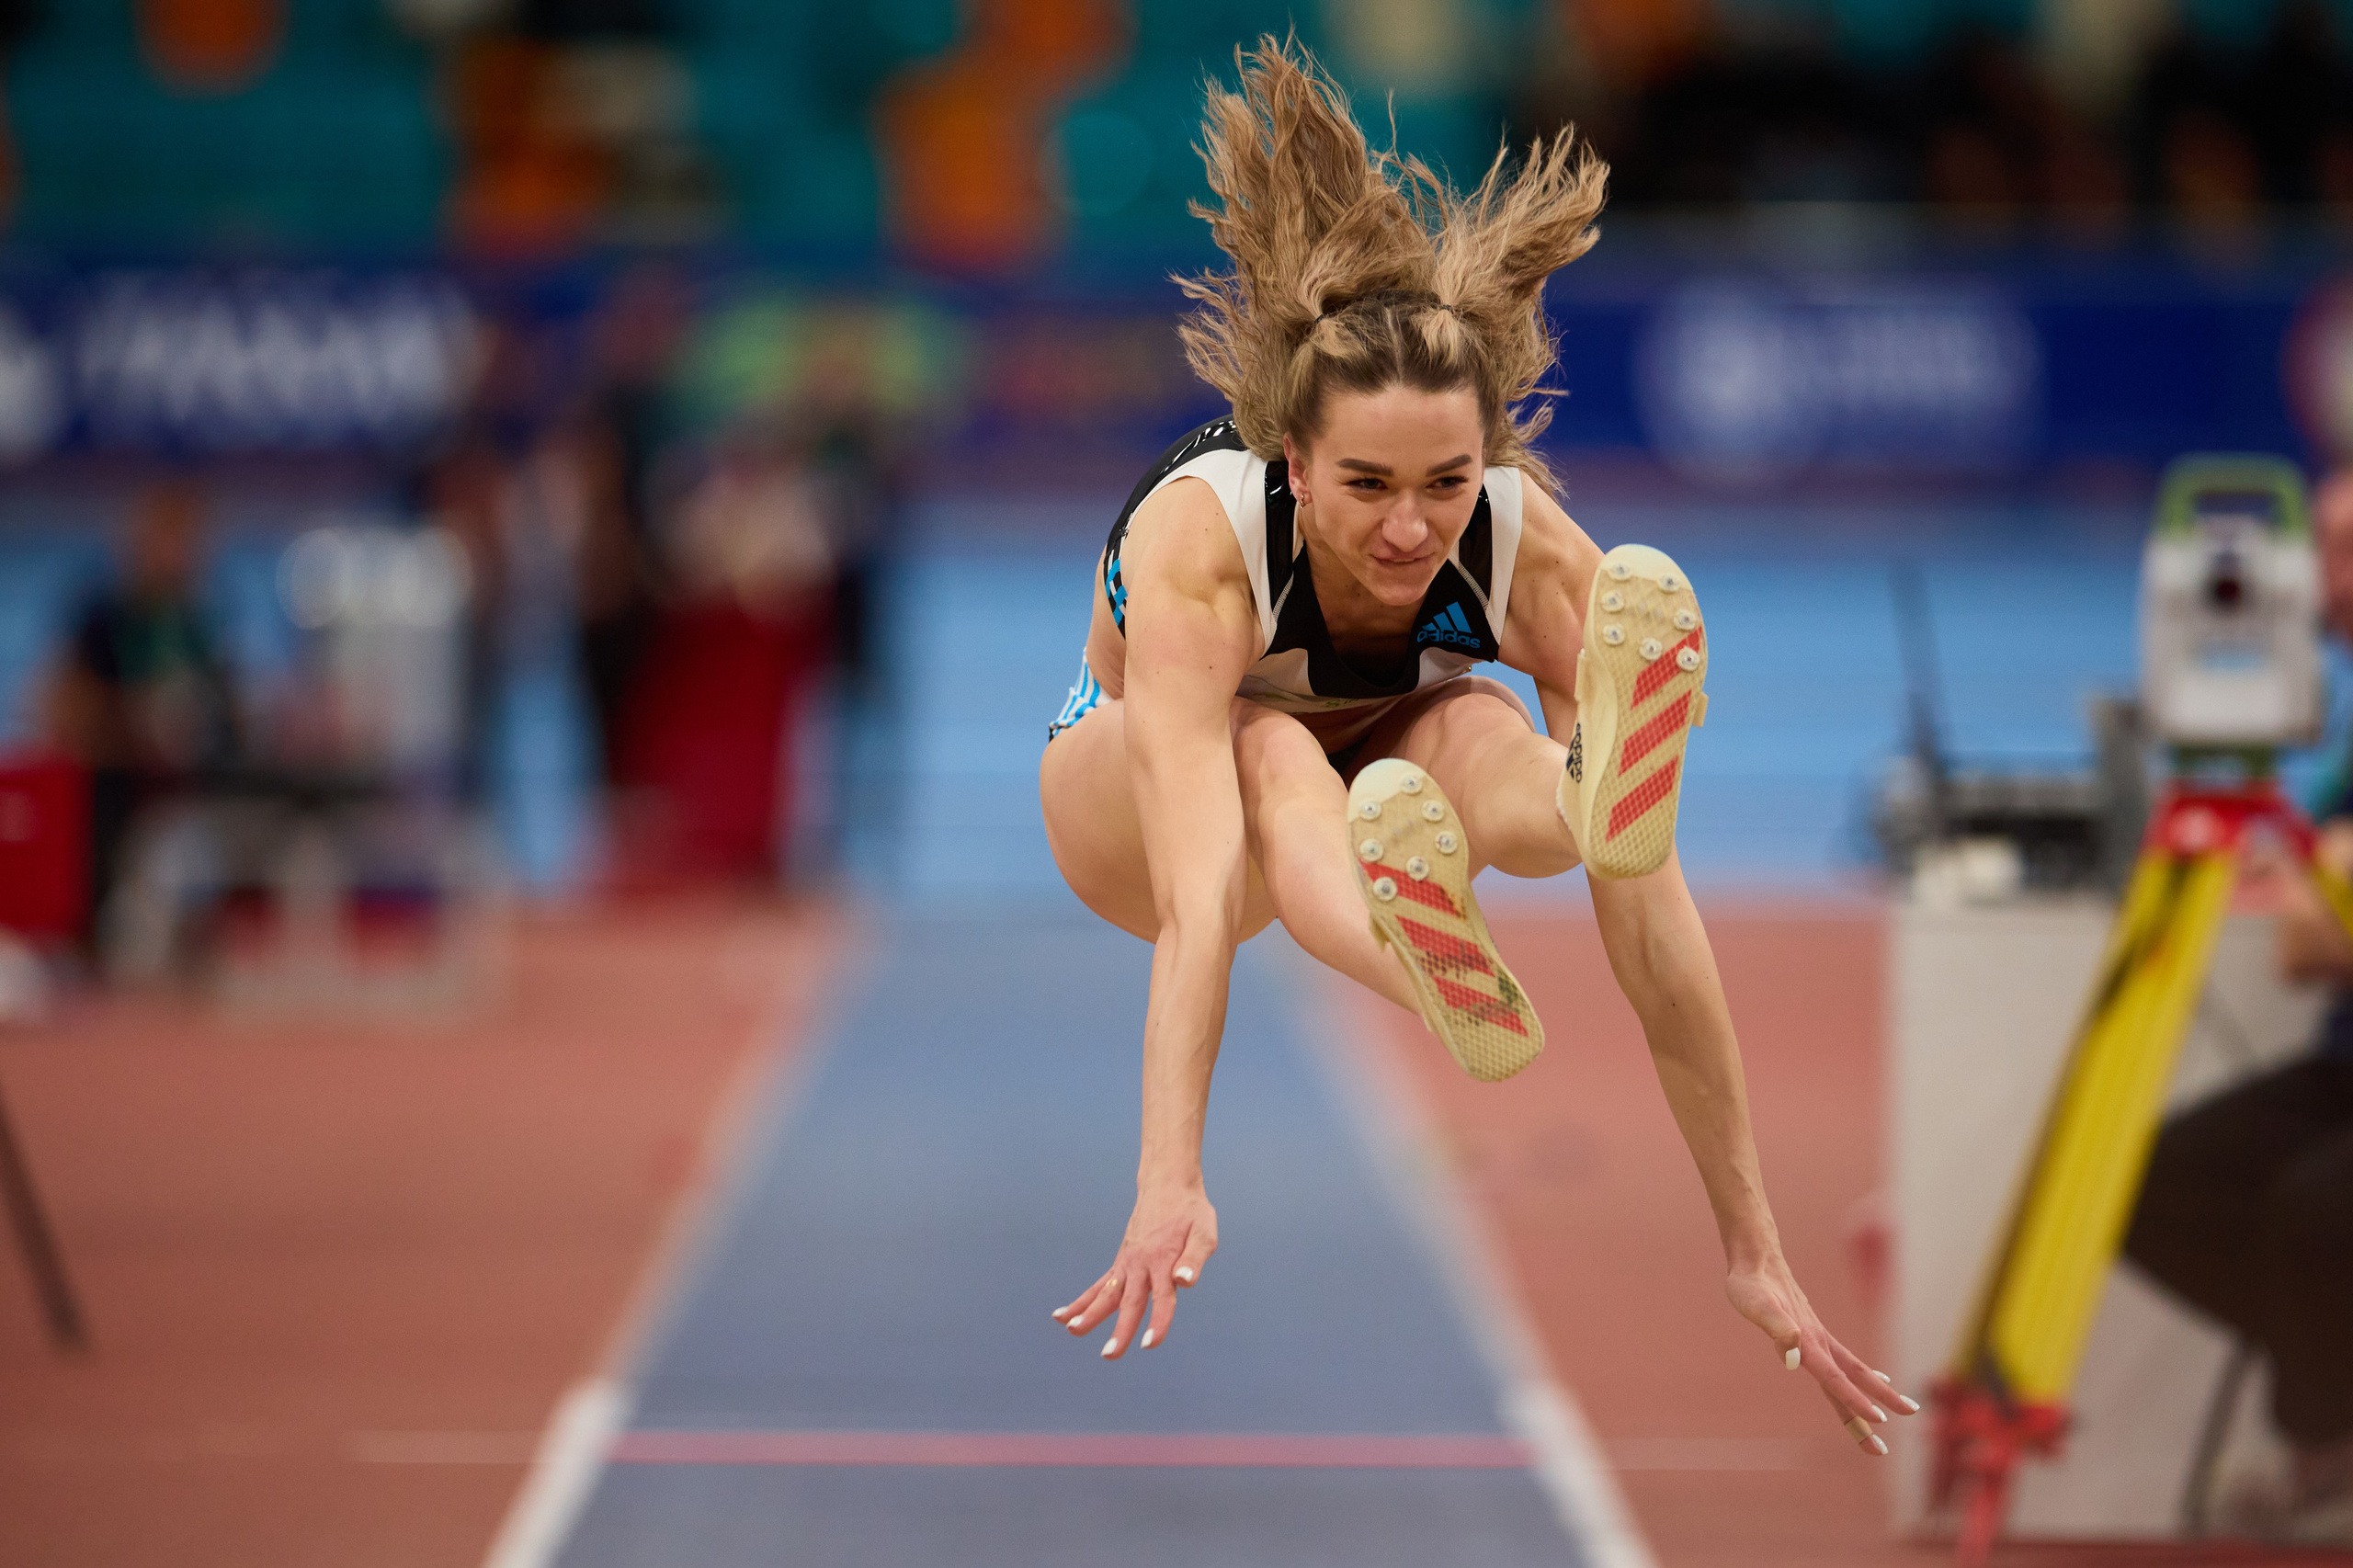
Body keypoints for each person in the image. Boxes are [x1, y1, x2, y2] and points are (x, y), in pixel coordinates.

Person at [1036, 38, 1915, 1456]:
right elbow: (1201, 900)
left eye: (1446, 483)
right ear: (1294, 464)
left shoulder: (1528, 549)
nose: (1407, 529)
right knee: (1269, 757)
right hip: (1133, 796)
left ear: (1490, 457)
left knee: (1484, 722)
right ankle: (1426, 963)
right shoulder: (1202, 544)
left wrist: (1752, 1239)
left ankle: (1566, 800)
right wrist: (1169, 1174)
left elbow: (1655, 931)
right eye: (1368, 487)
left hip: (1387, 762)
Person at [2124, 465, 2353, 1542]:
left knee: (2316, 1207)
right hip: (2340, 1064)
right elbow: (2314, 932)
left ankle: (2318, 1436)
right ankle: (2333, 1413)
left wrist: (2321, 892)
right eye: (2319, 547)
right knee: (2155, 1179)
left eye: (2347, 551)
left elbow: (2319, 930)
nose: (2321, 578)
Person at [43, 479, 238, 958]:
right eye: (168, 543)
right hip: (114, 778)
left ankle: (196, 950)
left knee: (224, 819)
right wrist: (134, 720)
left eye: (189, 545)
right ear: (140, 546)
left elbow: (226, 708)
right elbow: (64, 709)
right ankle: (88, 946)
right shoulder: (104, 618)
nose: (181, 557)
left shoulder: (196, 624)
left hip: (182, 785)